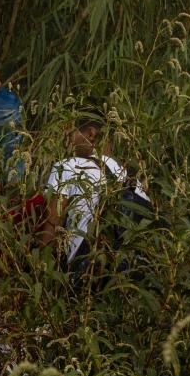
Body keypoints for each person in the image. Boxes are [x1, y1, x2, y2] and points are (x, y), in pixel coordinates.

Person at [43, 110, 147, 276]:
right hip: (135, 271)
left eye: (69, 133)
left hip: (87, 272)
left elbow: (52, 223)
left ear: (91, 134)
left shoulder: (68, 166)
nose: (65, 139)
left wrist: (37, 270)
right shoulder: (128, 176)